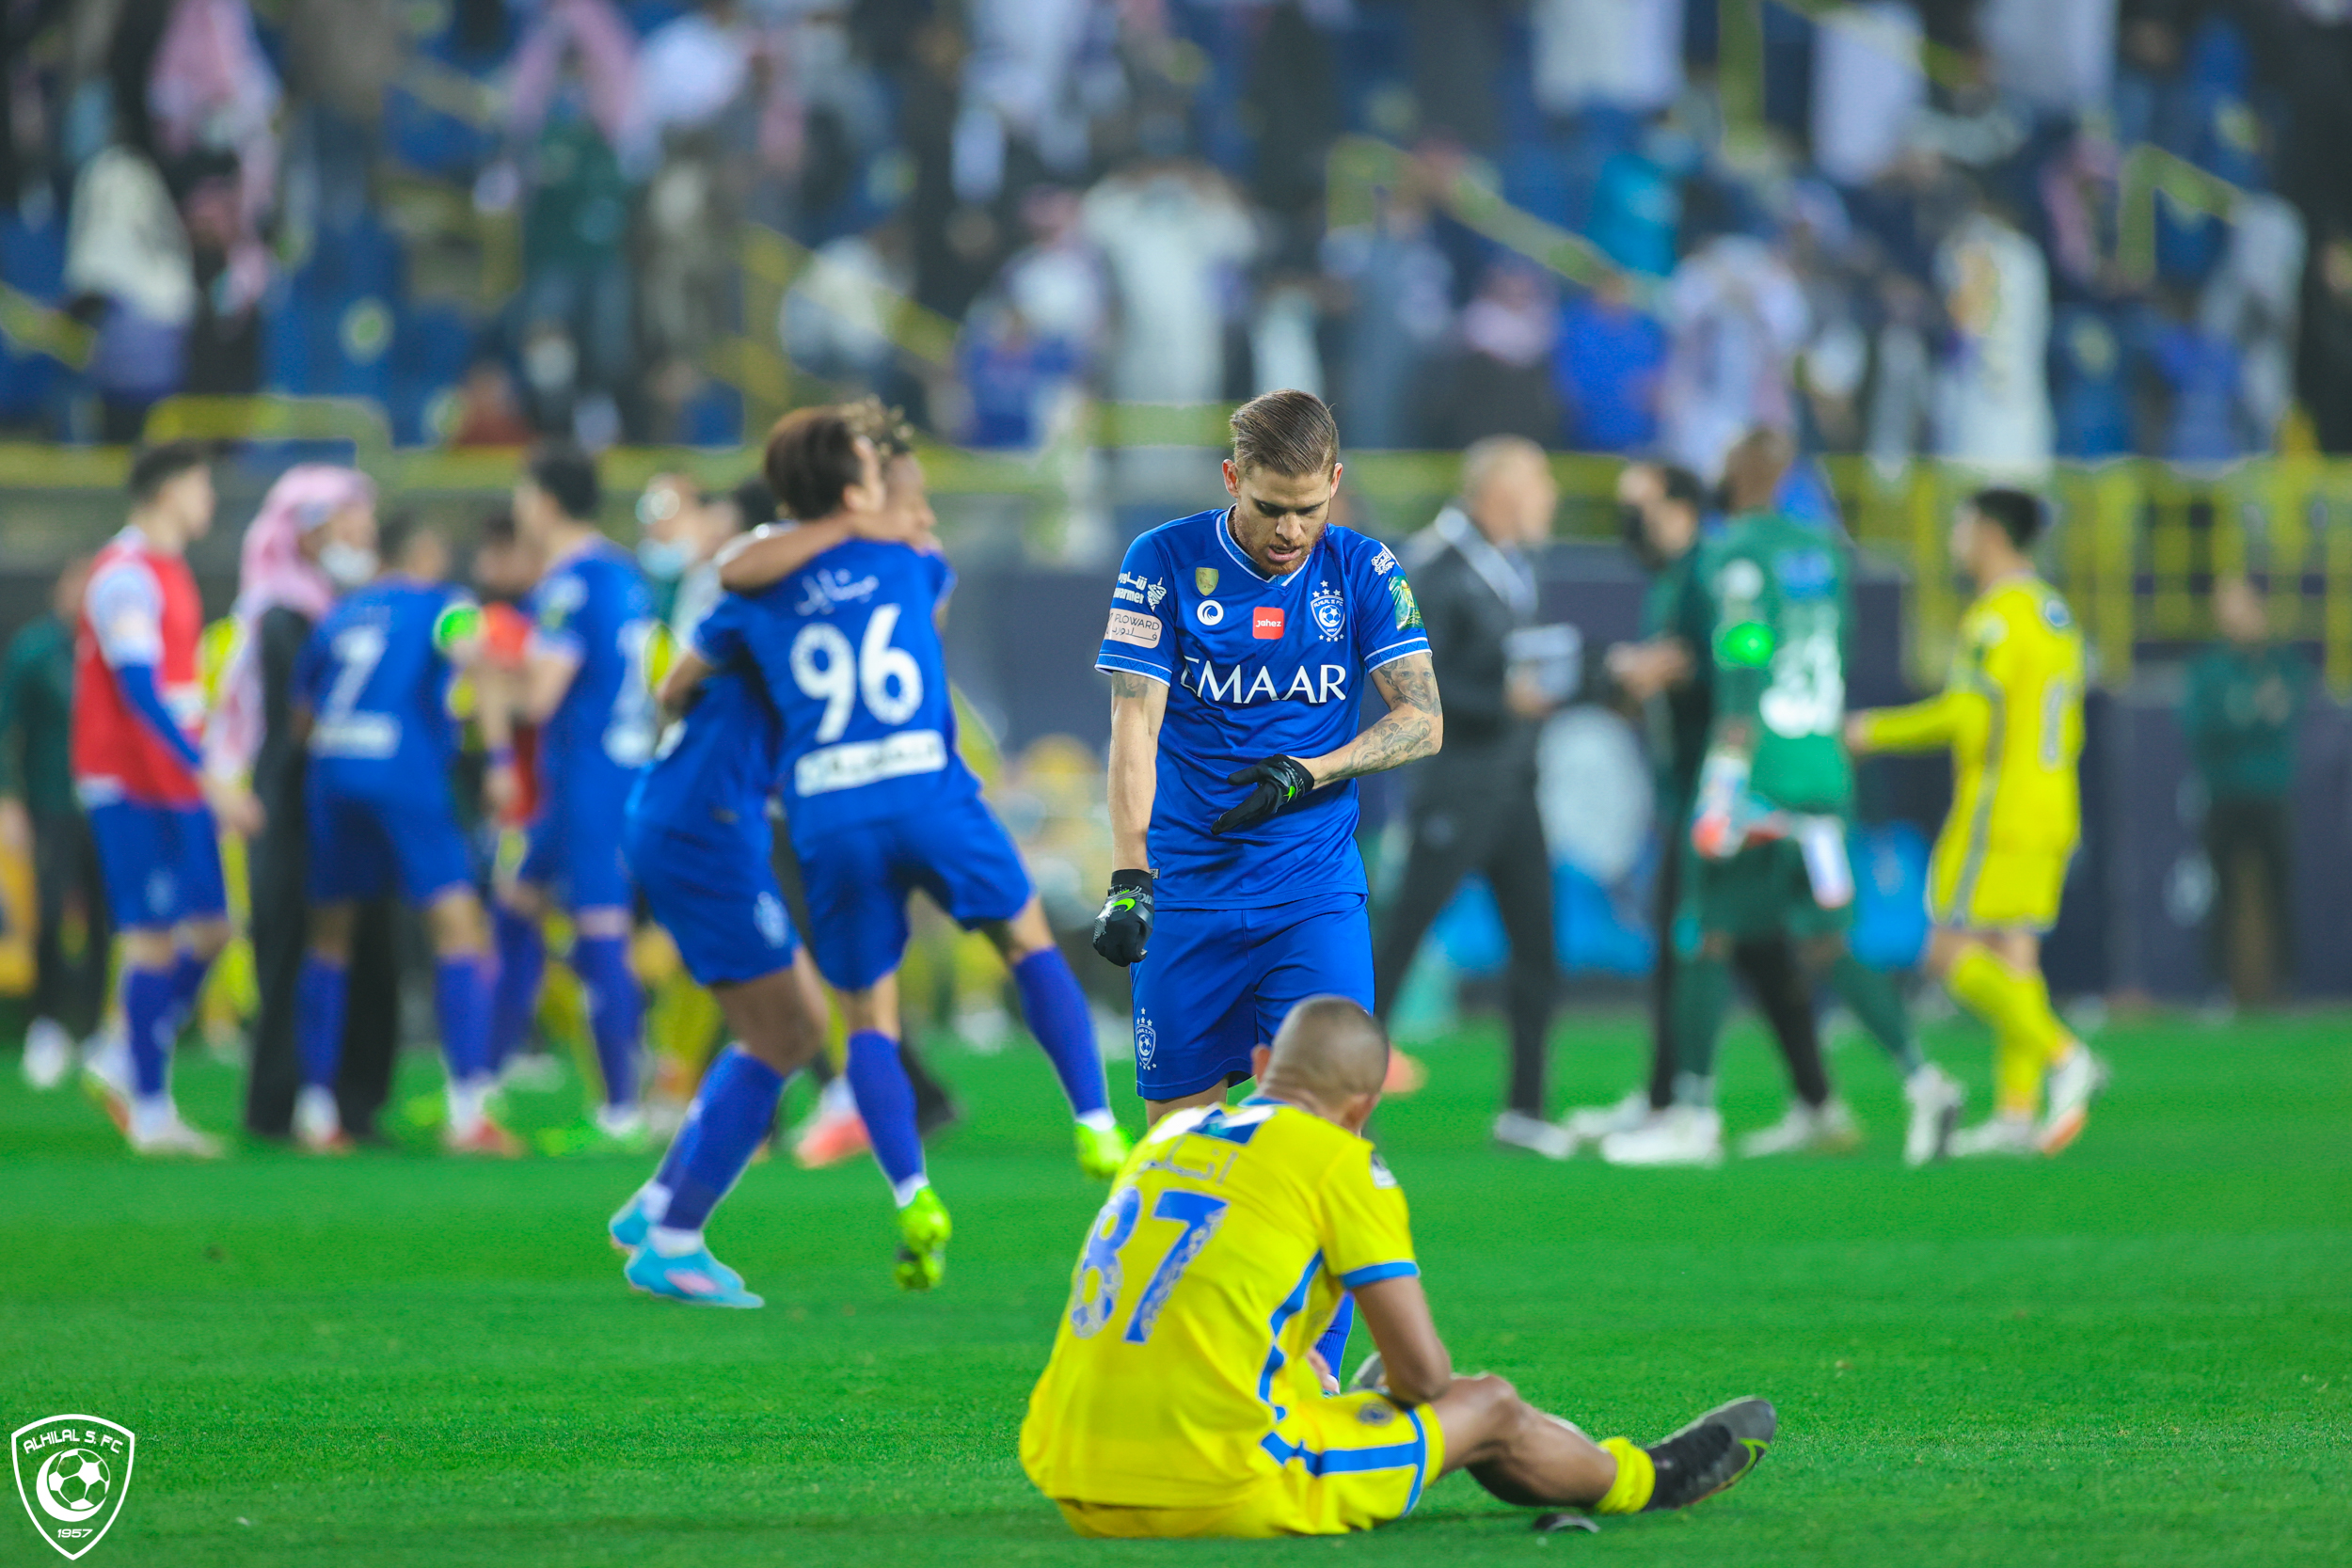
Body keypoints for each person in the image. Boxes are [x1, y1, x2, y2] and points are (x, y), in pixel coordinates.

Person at [1018, 994, 1776, 1539]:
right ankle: (1648, 1478)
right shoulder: (1341, 1158)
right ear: (1363, 1104)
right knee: (1485, 1404)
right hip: (1214, 1483)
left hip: (1068, 1472)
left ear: (1260, 1064)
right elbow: (1422, 1378)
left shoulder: (1169, 1136)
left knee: (1362, 1382)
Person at [707, 404, 1130, 1291]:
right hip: (925, 787)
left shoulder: (754, 591)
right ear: (858, 490)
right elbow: (908, 574)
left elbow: (709, 624)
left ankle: (912, 1195)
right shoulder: (909, 561)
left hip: (827, 808)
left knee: (871, 1018)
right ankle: (1095, 1123)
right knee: (1025, 942)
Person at [1089, 388, 1443, 1381]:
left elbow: (1423, 718)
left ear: (1335, 484)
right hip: (1191, 895)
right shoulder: (1159, 562)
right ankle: (1186, 1364)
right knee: (1175, 1153)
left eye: (1308, 508)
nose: (1290, 530)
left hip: (1311, 894)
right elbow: (1133, 727)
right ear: (1230, 479)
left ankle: (1308, 1370)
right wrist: (1128, 874)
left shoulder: (1363, 565)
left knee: (1323, 1142)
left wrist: (1313, 770)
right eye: (1270, 507)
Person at [1603, 431, 1958, 1168]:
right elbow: (1837, 646)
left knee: (1701, 927)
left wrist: (1724, 778)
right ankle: (1923, 1080)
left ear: (1730, 476)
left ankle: (1693, 1117)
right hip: (1825, 773)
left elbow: (1743, 664)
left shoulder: (1733, 554)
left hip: (1760, 777)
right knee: (1827, 939)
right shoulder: (1824, 550)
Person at [1565, 459, 1842, 1158]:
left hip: (1720, 788)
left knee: (1696, 937)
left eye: (1642, 503)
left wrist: (1673, 671)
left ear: (1683, 507)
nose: (1630, 520)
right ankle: (1814, 1100)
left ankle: (1683, 1107)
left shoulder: (1715, 570)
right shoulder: (1676, 577)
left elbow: (1741, 657)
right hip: (1694, 785)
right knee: (1754, 947)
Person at [603, 544, 847, 1307]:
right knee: (788, 1031)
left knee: (787, 1023)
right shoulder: (800, 593)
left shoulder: (754, 591)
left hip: (690, 808)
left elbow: (675, 688)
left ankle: (658, 1205)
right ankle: (676, 1238)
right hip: (707, 823)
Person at [1848, 488, 2106, 1157]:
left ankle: (2063, 1052)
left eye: (1961, 527)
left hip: (1999, 805)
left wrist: (1873, 730)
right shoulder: (2054, 612)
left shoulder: (1994, 618)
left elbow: (1967, 718)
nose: (1956, 541)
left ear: (1990, 533)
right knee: (2015, 952)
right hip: (2055, 800)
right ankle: (2018, 1112)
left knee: (1944, 951)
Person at [289, 517, 520, 1154]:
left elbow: (301, 714)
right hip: (403, 772)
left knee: (331, 937)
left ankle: (316, 1113)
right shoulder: (442, 605)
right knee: (458, 926)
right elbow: (480, 660)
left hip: (332, 772)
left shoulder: (342, 613)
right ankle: (468, 1110)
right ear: (420, 552)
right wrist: (500, 760)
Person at [1370, 436, 1566, 1157]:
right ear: (1500, 493)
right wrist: (1499, 699)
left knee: (1539, 949)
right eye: (1540, 481)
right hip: (1455, 781)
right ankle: (1341, 1101)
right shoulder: (1431, 564)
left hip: (1515, 783)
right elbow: (1407, 678)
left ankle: (1525, 1108)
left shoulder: (1515, 563)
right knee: (1397, 944)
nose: (1551, 496)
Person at [72, 441, 262, 1155]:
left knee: (214, 928)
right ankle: (150, 1110)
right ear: (165, 491)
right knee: (151, 940)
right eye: (200, 485)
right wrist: (206, 771)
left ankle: (125, 1048)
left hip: (173, 779)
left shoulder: (169, 571)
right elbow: (139, 690)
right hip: (129, 780)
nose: (208, 500)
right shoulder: (124, 577)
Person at [210, 464, 401, 1143]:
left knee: (369, 942)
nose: (361, 535)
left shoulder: (354, 607)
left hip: (351, 795)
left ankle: (357, 1100)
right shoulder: (280, 613)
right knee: (290, 943)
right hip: (292, 799)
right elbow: (293, 719)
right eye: (346, 524)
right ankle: (278, 1104)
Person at [491, 441, 656, 1147]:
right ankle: (484, 1084)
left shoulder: (567, 584)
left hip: (591, 777)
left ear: (548, 502)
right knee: (517, 903)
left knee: (602, 933)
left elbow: (541, 694)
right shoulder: (624, 574)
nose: (519, 508)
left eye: (526, 493)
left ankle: (622, 1109)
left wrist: (489, 660)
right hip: (608, 769)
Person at [4, 557, 109, 1089]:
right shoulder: (33, 650)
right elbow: (6, 725)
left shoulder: (110, 650)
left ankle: (94, 1032)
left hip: (106, 804)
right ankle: (45, 1024)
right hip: (50, 802)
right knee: (47, 910)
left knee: (105, 918)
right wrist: (8, 799)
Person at [2180, 576, 2308, 1008]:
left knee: (2279, 891)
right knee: (2223, 895)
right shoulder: (2210, 668)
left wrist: (2243, 714)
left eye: (2239, 604)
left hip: (2271, 793)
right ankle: (2219, 988)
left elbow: (2293, 705)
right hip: (2224, 793)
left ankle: (2285, 986)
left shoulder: (2280, 663)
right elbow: (2203, 726)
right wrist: (2252, 712)